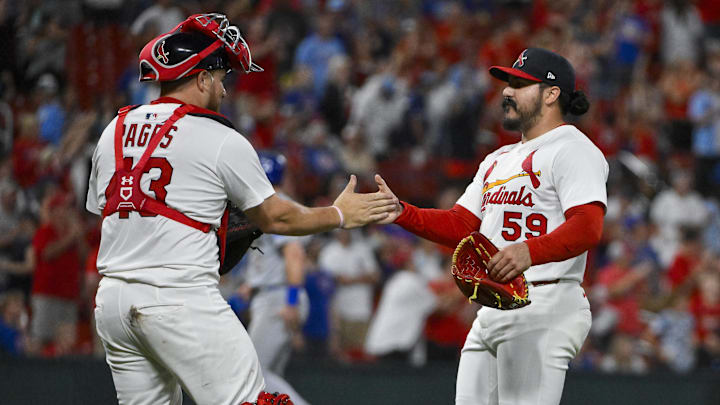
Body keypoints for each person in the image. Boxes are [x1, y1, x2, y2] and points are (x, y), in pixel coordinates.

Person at [85, 14, 394, 405]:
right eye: (220, 78)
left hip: (113, 303)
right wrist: (339, 214)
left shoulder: (114, 129)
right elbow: (276, 217)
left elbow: (105, 210)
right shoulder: (218, 136)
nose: (224, 90)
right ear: (201, 79)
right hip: (179, 295)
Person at [376, 48, 608, 405]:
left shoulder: (572, 149)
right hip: (495, 305)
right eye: (507, 83)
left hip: (545, 300)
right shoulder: (498, 159)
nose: (506, 91)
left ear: (551, 93)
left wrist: (530, 251)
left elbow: (588, 227)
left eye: (520, 83)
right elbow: (461, 225)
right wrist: (401, 212)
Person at [243, 151, 311, 405]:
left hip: (279, 296)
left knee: (254, 374)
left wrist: (291, 301)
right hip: (273, 294)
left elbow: (294, 254)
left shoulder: (275, 204)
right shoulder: (273, 203)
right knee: (270, 377)